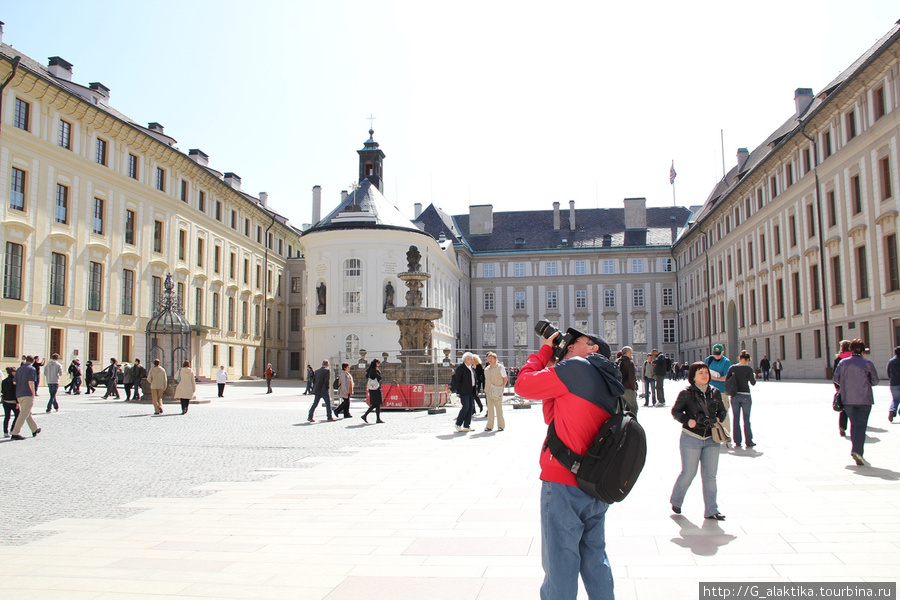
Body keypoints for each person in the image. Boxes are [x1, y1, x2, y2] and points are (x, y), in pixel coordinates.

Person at [514, 327, 623, 599]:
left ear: (593, 349)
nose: (568, 344)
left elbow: (523, 386)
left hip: (564, 483)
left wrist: (543, 354)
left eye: (576, 341)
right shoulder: (608, 379)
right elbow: (552, 416)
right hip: (595, 485)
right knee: (595, 559)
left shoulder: (577, 368)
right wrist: (554, 369)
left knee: (560, 562)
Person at [670, 361, 727, 520]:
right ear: (693, 376)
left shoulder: (715, 392)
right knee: (689, 473)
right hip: (691, 438)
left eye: (706, 372)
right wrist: (688, 421)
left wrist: (718, 418)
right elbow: (675, 412)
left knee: (710, 476)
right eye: (700, 372)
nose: (705, 375)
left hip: (711, 438)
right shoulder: (686, 393)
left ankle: (712, 510)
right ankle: (676, 500)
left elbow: (723, 411)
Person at [833, 339, 879, 466]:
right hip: (864, 398)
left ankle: (856, 449)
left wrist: (846, 384)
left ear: (851, 349)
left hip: (847, 399)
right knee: (861, 426)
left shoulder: (843, 363)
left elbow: (835, 378)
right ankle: (857, 451)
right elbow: (875, 381)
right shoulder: (867, 363)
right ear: (863, 350)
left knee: (854, 424)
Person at [725, 350, 757, 449]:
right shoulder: (748, 369)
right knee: (746, 419)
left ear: (740, 358)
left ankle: (737, 441)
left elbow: (727, 381)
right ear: (747, 359)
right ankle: (749, 441)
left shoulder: (732, 368)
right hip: (745, 395)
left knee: (736, 418)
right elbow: (753, 382)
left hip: (734, 396)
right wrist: (753, 376)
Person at [705, 343, 732, 445]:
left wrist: (715, 378)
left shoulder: (726, 362)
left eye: (718, 354)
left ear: (723, 352)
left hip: (722, 391)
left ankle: (726, 435)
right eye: (715, 353)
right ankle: (712, 434)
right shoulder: (709, 360)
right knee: (709, 412)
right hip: (710, 390)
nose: (716, 356)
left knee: (724, 412)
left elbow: (726, 377)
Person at [10, 355, 41, 440]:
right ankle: (15, 433)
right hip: (27, 393)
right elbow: (31, 382)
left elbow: (14, 382)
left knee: (27, 412)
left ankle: (34, 429)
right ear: (33, 361)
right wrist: (33, 393)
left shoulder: (19, 369)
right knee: (23, 414)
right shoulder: (32, 369)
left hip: (19, 394)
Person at [452, 352, 478, 433]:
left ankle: (466, 425)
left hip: (471, 390)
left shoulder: (471, 368)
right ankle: (458, 423)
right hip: (464, 391)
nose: (472, 360)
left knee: (470, 408)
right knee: (465, 407)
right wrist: (460, 390)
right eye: (471, 359)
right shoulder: (461, 368)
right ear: (466, 360)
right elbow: (457, 380)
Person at [483, 352, 508, 432]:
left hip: (497, 390)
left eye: (491, 358)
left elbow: (505, 378)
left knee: (498, 409)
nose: (490, 360)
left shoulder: (500, 367)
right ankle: (489, 426)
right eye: (488, 358)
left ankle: (501, 425)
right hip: (488, 390)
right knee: (490, 409)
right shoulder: (486, 369)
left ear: (495, 359)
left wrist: (501, 388)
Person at [833, 340, 852, 436]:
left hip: (842, 386)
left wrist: (837, 387)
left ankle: (842, 427)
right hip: (853, 385)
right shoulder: (853, 358)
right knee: (854, 406)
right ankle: (855, 426)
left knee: (843, 408)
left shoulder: (838, 359)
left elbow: (835, 375)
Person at [618, 346, 639, 416]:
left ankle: (619, 424)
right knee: (633, 408)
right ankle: (633, 423)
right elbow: (631, 377)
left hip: (618, 388)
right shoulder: (630, 363)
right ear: (628, 353)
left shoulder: (617, 362)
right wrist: (633, 387)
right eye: (631, 353)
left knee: (619, 409)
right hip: (627, 388)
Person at [361, 359, 384, 423]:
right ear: (376, 363)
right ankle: (368, 416)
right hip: (376, 388)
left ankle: (368, 416)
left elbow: (367, 376)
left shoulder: (369, 369)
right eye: (378, 363)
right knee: (377, 404)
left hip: (371, 388)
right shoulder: (374, 370)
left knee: (375, 404)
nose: (379, 364)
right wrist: (378, 372)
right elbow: (379, 377)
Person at [2, 367, 20, 438]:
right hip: (13, 401)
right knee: (17, 415)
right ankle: (12, 429)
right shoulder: (14, 381)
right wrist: (17, 402)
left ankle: (5, 432)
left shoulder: (4, 381)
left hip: (5, 401)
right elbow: (15, 392)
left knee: (7, 416)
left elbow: (2, 391)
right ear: (12, 372)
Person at [887, 346, 900, 423]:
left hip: (894, 383)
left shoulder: (891, 361)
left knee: (895, 399)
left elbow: (888, 372)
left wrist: (891, 379)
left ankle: (892, 410)